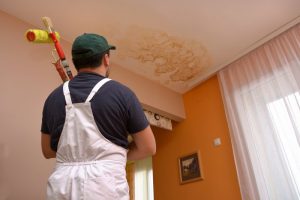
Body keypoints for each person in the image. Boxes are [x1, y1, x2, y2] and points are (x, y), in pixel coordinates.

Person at [40, 33, 156, 200]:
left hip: (62, 186)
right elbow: (148, 147)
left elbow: (47, 151)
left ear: (75, 62)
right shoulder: (122, 93)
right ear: (106, 59)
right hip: (105, 185)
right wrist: (115, 158)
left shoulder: (52, 98)